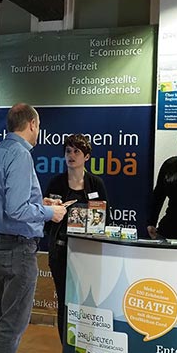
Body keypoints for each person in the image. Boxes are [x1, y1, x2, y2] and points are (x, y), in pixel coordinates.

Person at [0, 103, 66, 353]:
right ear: (32, 124)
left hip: (0, 244)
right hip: (19, 249)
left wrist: (37, 202)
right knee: (12, 324)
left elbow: (8, 204)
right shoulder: (20, 155)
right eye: (39, 124)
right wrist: (50, 212)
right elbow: (17, 210)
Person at [43, 134, 108, 342]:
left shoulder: (96, 184)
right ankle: (67, 349)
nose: (71, 155)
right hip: (61, 250)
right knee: (65, 300)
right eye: (68, 151)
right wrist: (55, 210)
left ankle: (86, 344)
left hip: (87, 253)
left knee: (87, 301)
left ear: (86, 156)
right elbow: (44, 218)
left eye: (76, 152)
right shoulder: (56, 183)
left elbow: (104, 219)